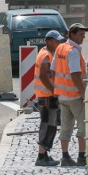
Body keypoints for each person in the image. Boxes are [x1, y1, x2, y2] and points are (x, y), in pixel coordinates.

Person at [53, 23, 88, 167]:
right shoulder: (73, 51)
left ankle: (65, 157)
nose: (84, 36)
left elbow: (53, 70)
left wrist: (55, 91)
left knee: (66, 126)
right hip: (75, 96)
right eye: (81, 34)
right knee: (83, 126)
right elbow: (75, 75)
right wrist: (84, 95)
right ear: (72, 34)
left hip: (62, 96)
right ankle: (82, 156)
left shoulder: (60, 48)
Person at [33, 30, 64, 167]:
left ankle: (45, 154)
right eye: (57, 41)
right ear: (49, 41)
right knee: (46, 125)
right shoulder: (45, 55)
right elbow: (43, 77)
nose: (59, 43)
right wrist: (54, 92)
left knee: (51, 125)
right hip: (46, 97)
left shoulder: (47, 53)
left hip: (47, 96)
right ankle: (41, 156)